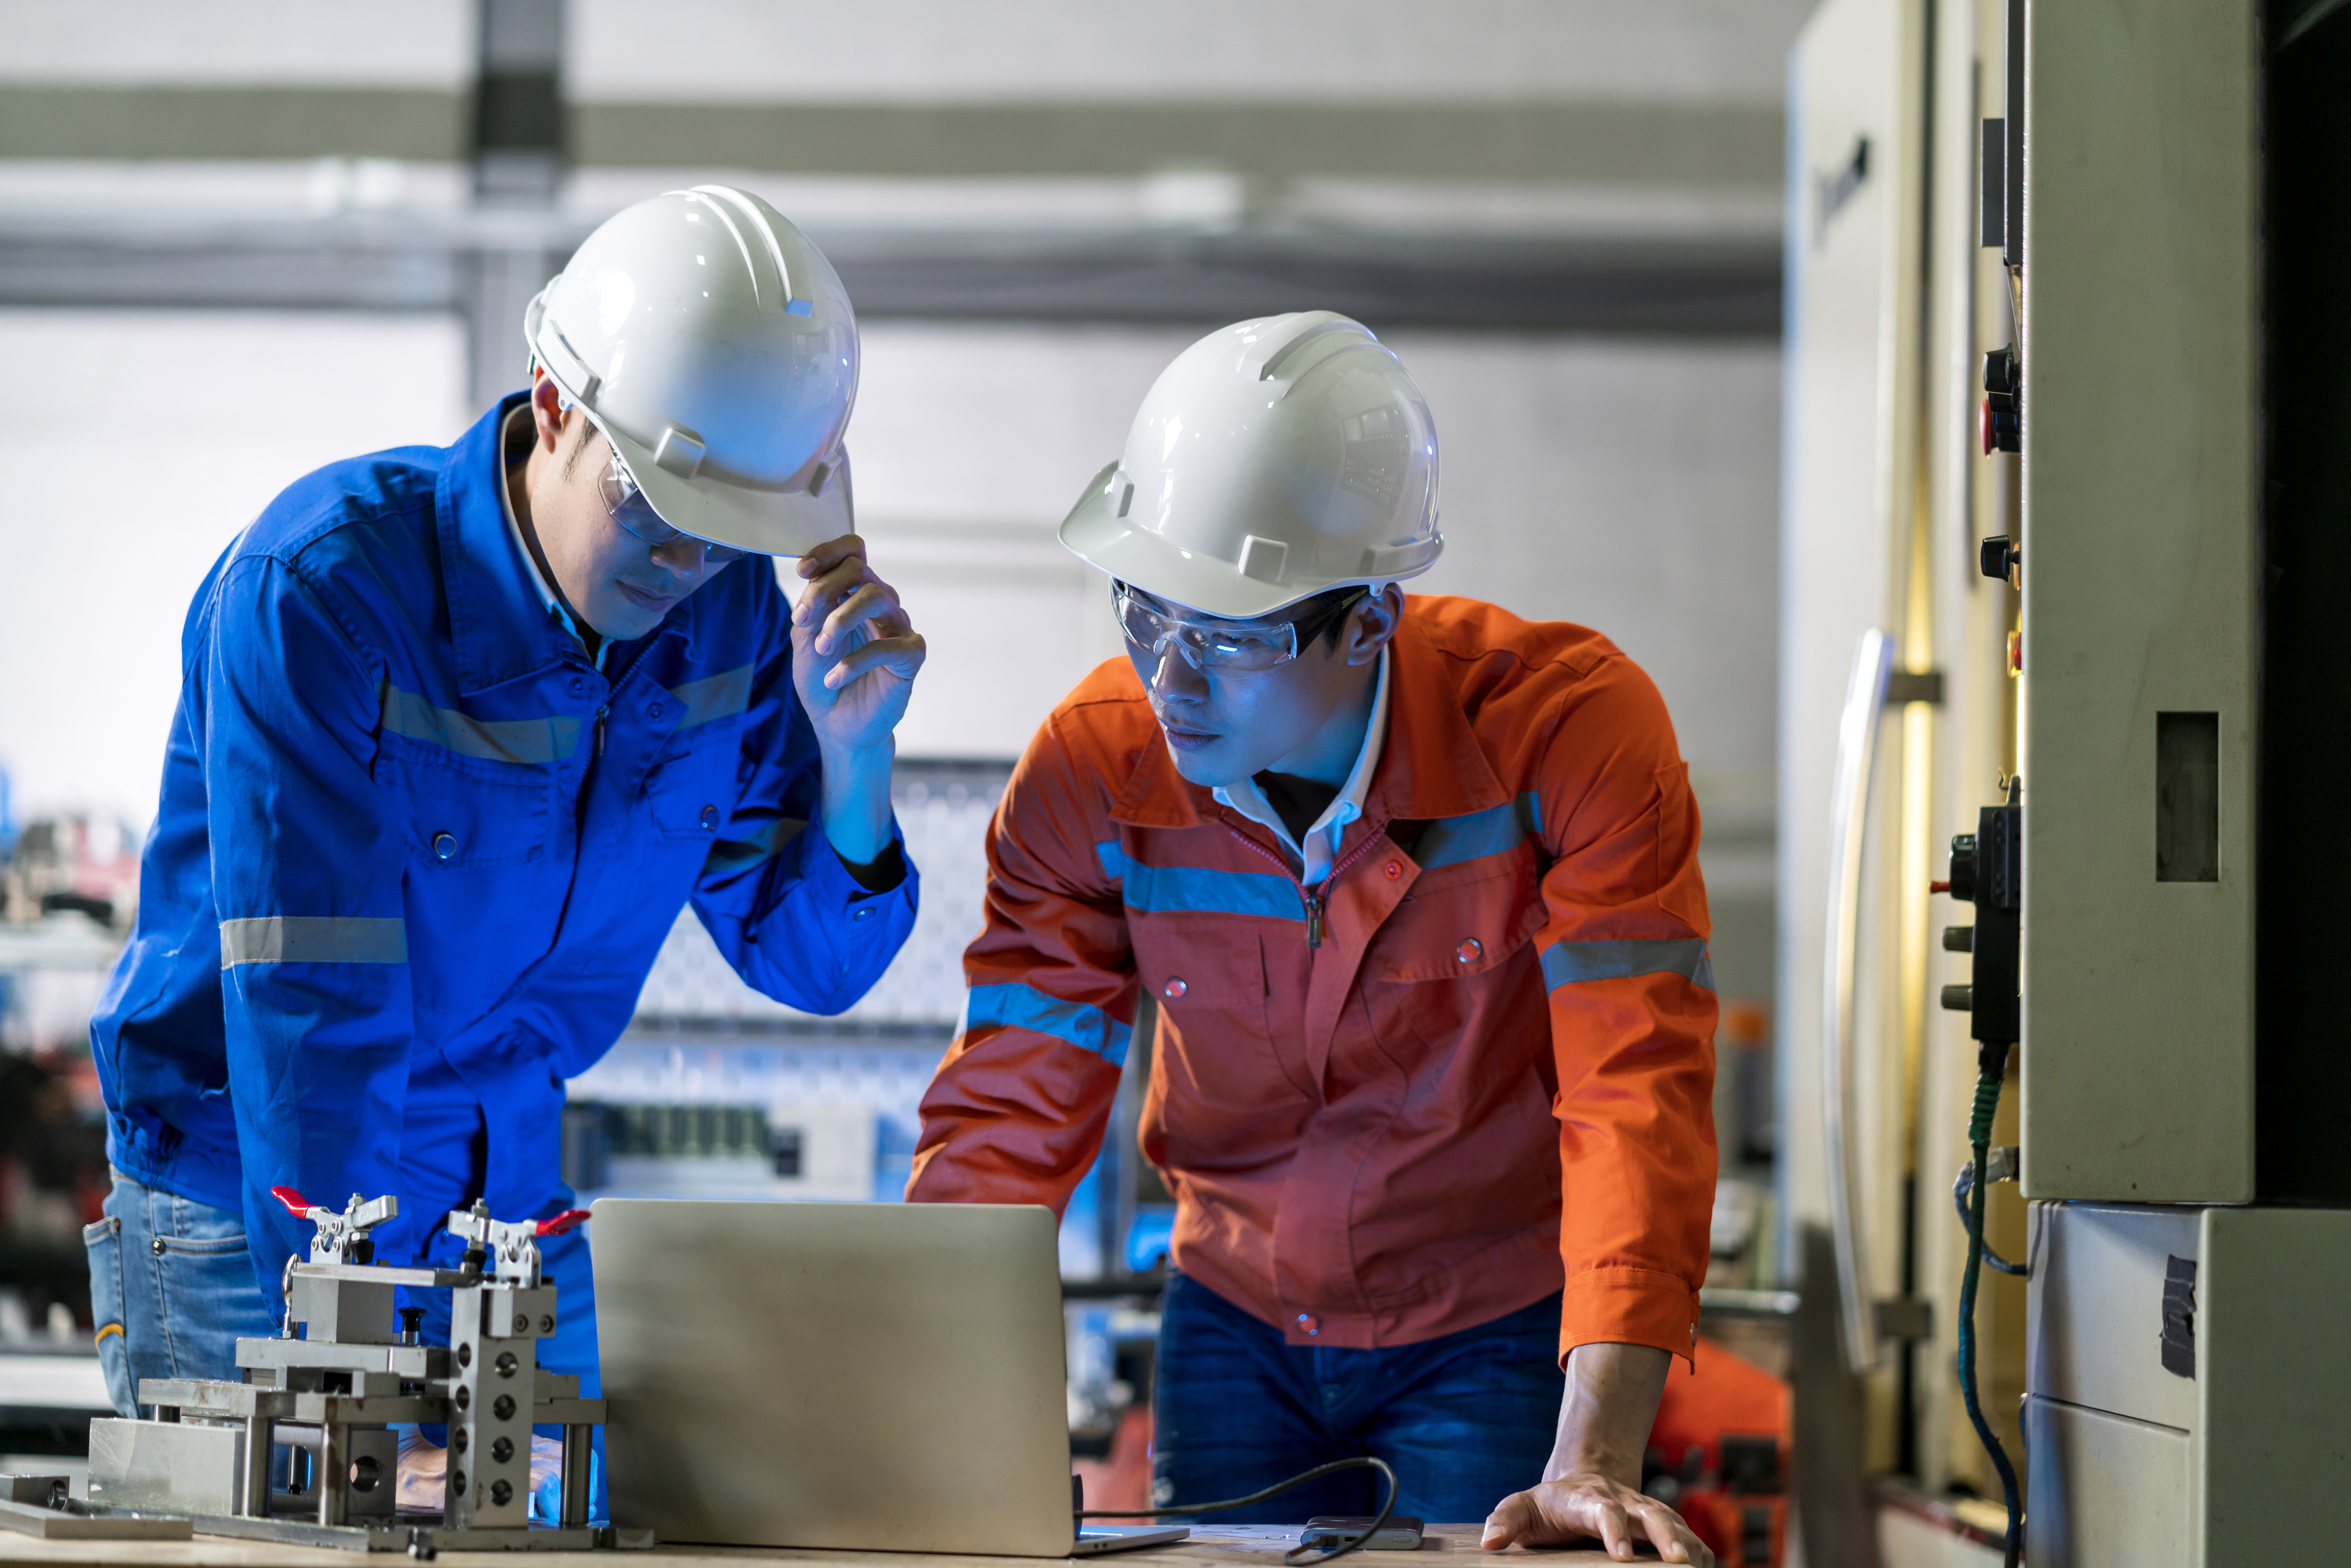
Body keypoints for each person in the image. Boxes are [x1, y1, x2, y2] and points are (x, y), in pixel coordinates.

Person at [84, 188, 926, 1464]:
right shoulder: (323, 594)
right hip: (257, 1188)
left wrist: (853, 754)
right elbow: (317, 1017)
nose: (685, 565)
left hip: (507, 1199)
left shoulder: (735, 614)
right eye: (656, 507)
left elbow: (810, 960)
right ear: (553, 404)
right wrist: (358, 1374)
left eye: (729, 532)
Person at [908, 313, 1717, 1564]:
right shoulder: (1092, 768)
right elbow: (1014, 1097)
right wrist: (910, 1404)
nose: (1170, 678)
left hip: (1491, 1327)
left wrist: (1593, 1454)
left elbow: (1633, 1093)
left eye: (1229, 635)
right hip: (1231, 1320)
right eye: (1144, 612)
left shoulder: (1566, 736)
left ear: (1370, 619)